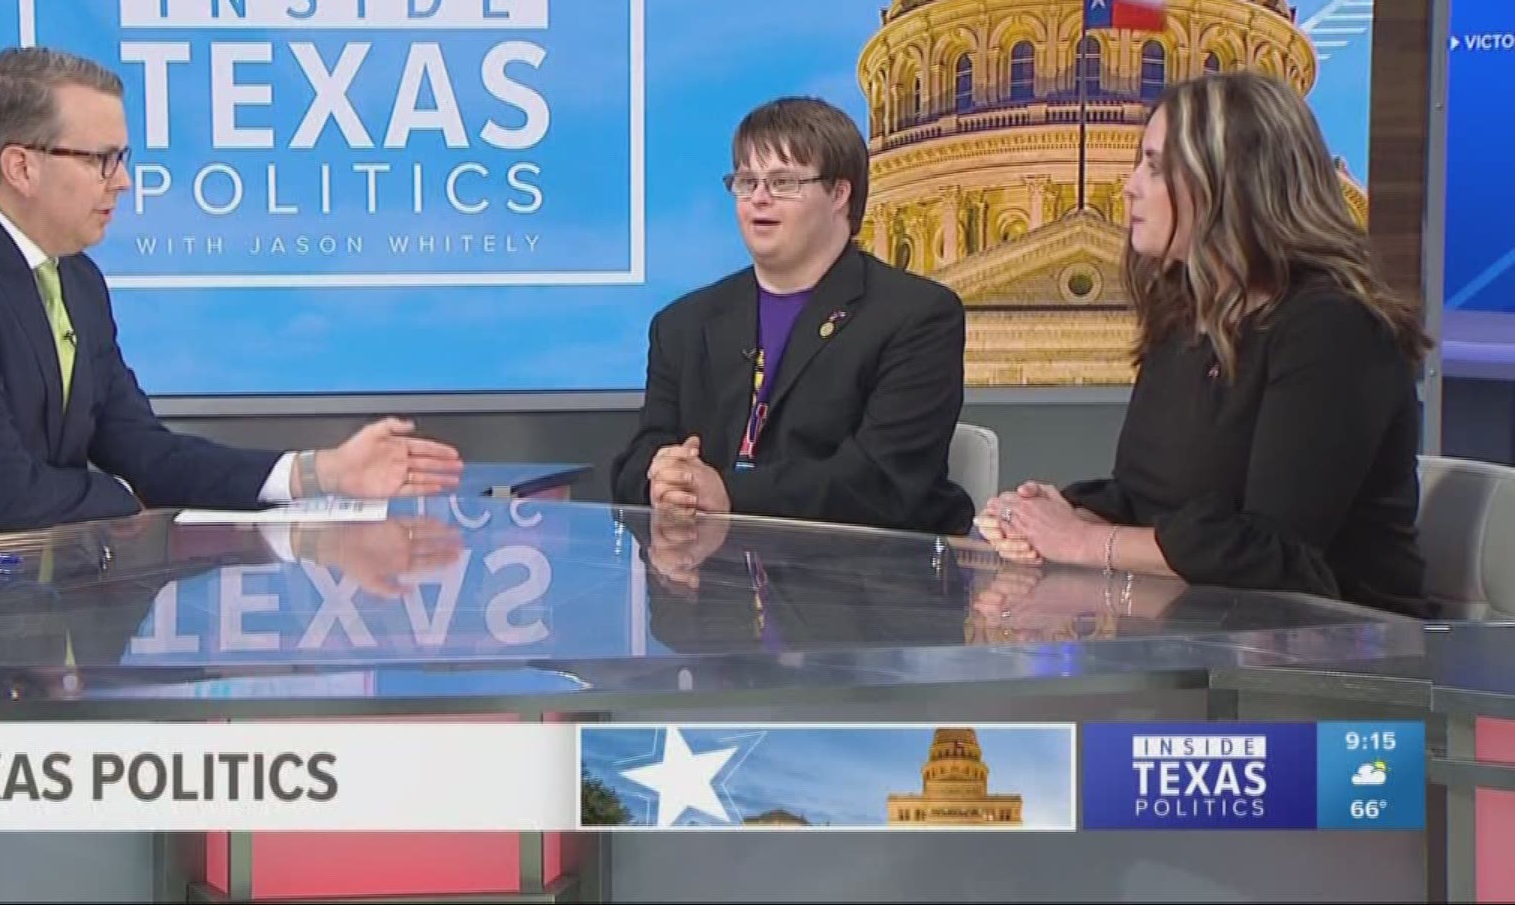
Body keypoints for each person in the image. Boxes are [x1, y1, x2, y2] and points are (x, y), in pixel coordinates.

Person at [0, 47, 463, 549]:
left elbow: (141, 449)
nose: (124, 183)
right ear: (21, 165)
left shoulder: (74, 277)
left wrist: (318, 473)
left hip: (18, 609)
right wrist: (128, 499)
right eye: (103, 160)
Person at [975, 71, 1430, 617]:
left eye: (1156, 167)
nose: (1129, 187)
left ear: (1231, 183)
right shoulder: (1188, 317)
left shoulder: (1334, 331)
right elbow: (1145, 497)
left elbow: (1275, 552)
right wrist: (1051, 517)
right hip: (1193, 633)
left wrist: (1083, 543)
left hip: (1327, 660)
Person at [608, 96, 974, 535]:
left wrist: (728, 493)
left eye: (782, 183)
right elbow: (641, 456)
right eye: (746, 183)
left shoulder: (916, 316)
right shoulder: (683, 324)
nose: (758, 199)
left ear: (839, 193)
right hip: (711, 583)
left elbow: (882, 481)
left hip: (867, 586)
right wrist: (663, 479)